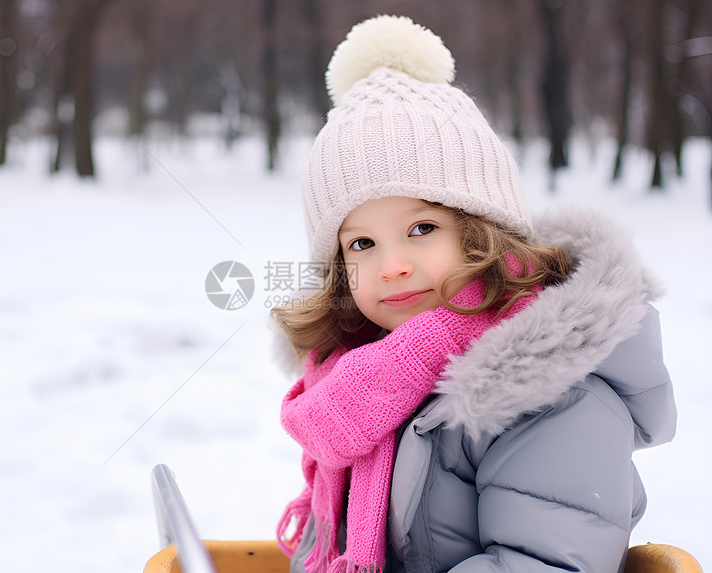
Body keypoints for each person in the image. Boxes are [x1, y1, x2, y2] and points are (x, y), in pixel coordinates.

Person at [272, 15, 676, 573]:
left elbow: (543, 563)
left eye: (421, 229)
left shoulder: (544, 392)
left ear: (483, 231)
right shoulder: (360, 384)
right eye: (362, 242)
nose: (391, 266)